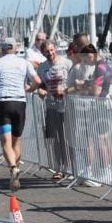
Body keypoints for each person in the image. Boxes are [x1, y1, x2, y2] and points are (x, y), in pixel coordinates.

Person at [0, 41, 40, 191]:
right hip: (20, 103)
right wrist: (28, 90)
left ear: (2, 49)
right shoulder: (24, 62)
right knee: (17, 141)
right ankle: (15, 175)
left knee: (5, 143)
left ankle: (13, 168)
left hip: (4, 102)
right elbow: (38, 81)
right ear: (15, 49)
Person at [34, 42, 72, 179]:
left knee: (67, 138)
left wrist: (66, 91)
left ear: (55, 49)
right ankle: (59, 168)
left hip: (66, 106)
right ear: (42, 52)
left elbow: (74, 84)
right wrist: (41, 91)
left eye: (51, 50)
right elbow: (40, 86)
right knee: (55, 139)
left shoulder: (67, 63)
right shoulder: (42, 68)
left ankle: (70, 167)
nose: (50, 53)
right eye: (46, 51)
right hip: (51, 106)